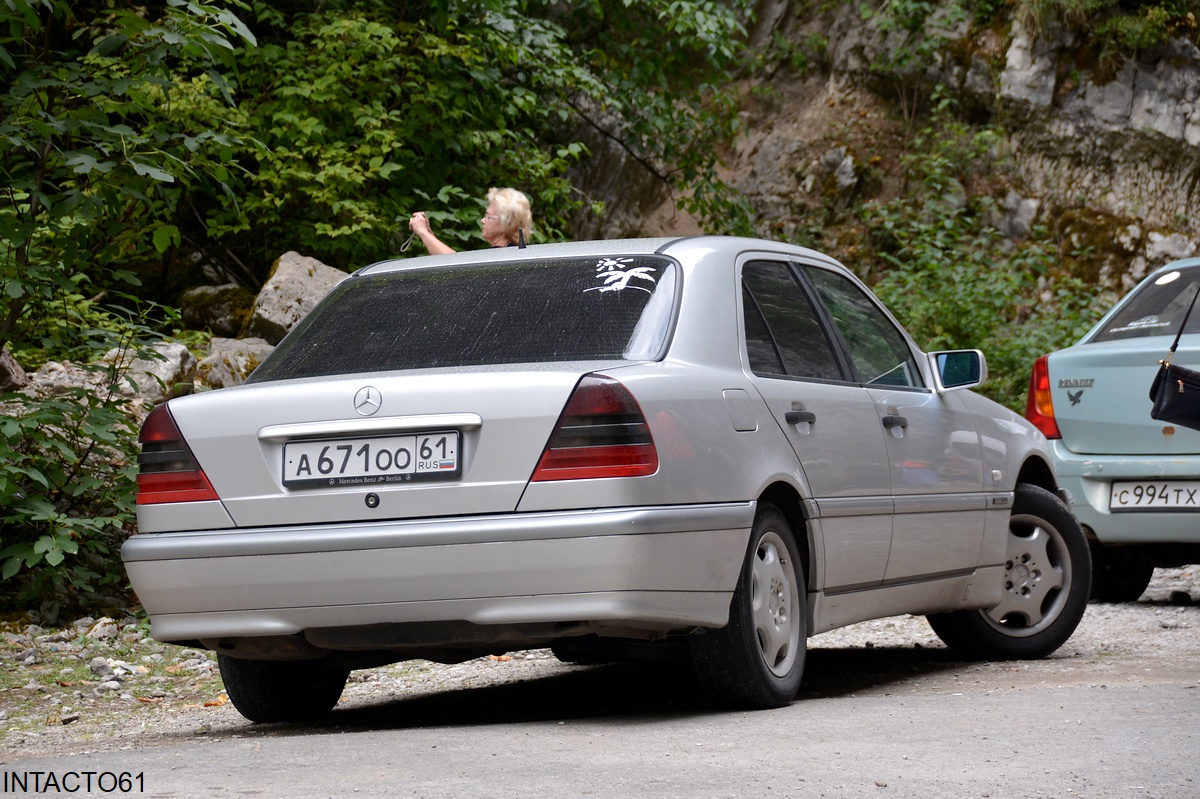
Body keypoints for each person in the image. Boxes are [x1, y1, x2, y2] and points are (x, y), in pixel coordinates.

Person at [408, 187, 532, 254]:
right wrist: (428, 232)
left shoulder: (501, 256)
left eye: (488, 216)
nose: (483, 220)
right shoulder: (514, 254)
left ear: (507, 223)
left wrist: (423, 232)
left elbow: (455, 267)